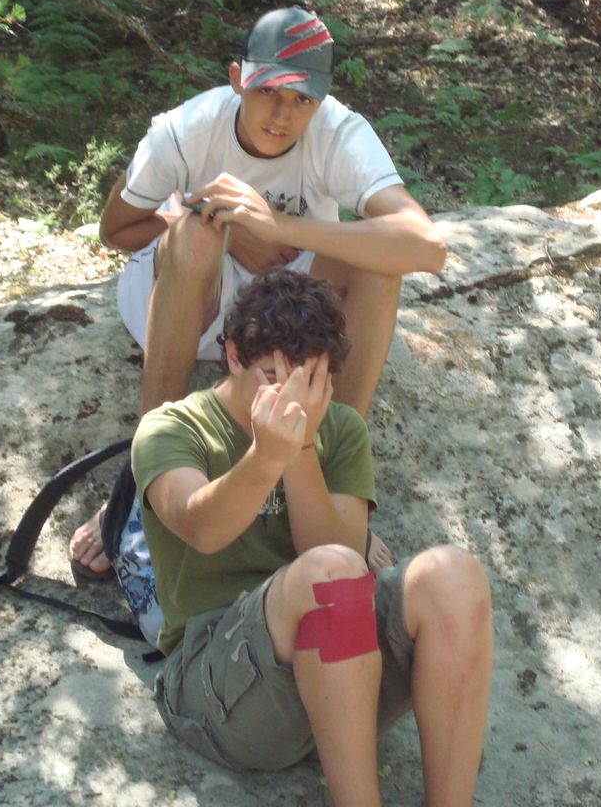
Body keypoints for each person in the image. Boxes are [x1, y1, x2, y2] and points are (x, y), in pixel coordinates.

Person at [70, 5, 446, 577]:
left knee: (379, 266)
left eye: (302, 99)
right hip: (191, 297)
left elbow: (427, 247)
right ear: (237, 78)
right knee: (195, 238)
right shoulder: (185, 130)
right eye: (269, 90)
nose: (283, 113)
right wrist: (220, 225)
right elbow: (116, 229)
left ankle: (334, 483)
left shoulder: (339, 132)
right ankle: (146, 479)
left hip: (286, 305)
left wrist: (278, 227)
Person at [122, 270, 492, 807]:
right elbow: (201, 529)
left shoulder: (339, 430)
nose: (291, 399)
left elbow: (340, 560)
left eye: (309, 381)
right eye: (272, 377)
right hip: (217, 687)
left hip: (339, 680)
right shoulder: (173, 428)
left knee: (454, 575)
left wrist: (300, 452)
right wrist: (266, 456)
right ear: (232, 356)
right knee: (329, 574)